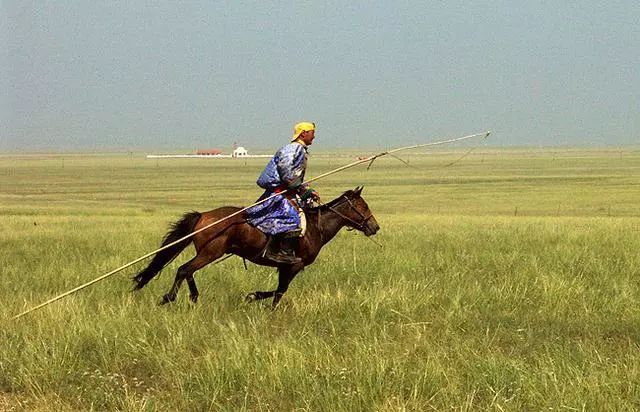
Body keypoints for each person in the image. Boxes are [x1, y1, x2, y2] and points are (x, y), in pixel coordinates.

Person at [246, 121, 320, 264]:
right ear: (303, 133)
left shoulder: (300, 149)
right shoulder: (293, 149)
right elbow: (287, 174)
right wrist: (303, 190)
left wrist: (307, 191)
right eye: (312, 133)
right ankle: (276, 252)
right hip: (279, 193)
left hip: (286, 190)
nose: (314, 137)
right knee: (292, 218)